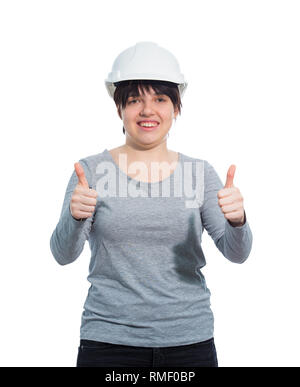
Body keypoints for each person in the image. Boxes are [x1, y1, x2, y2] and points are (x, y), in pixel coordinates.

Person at [50, 41, 253, 367]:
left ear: (176, 107)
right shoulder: (89, 172)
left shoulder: (200, 173)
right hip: (108, 343)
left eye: (160, 99)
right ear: (120, 109)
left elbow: (237, 253)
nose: (147, 110)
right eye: (134, 100)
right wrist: (75, 218)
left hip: (190, 343)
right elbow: (62, 255)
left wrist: (238, 221)